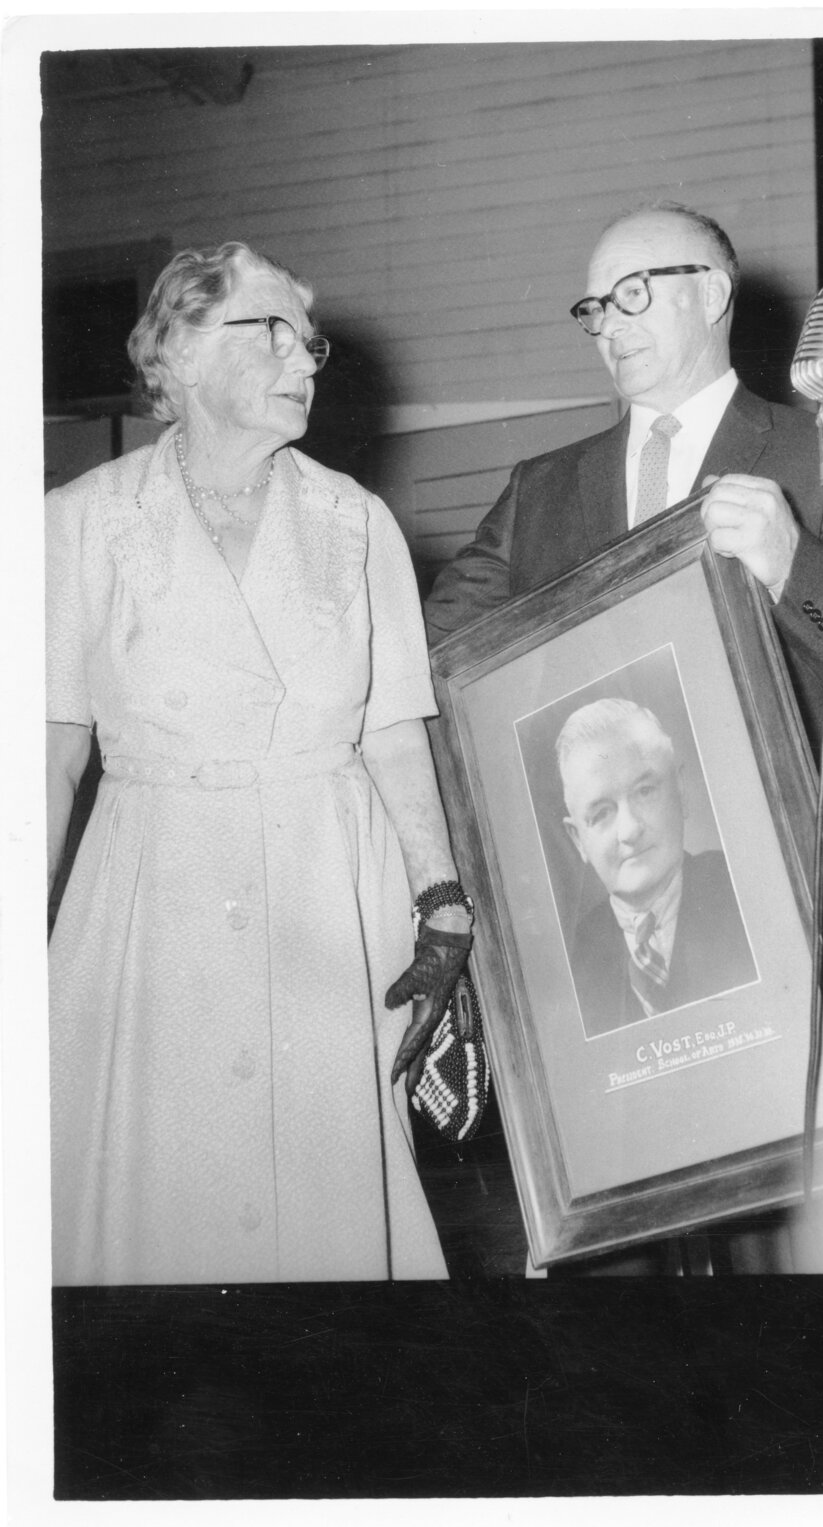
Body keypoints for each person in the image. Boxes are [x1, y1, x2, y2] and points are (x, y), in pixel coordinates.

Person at [45, 242, 473, 1286]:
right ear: (179, 354)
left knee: (324, 1202)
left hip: (324, 901)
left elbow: (391, 729)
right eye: (268, 330)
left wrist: (443, 901)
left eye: (308, 338)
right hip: (154, 902)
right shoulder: (79, 524)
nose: (305, 358)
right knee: (161, 1196)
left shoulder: (356, 523)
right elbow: (48, 755)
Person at [424, 200, 823, 751]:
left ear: (711, 295)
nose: (609, 325)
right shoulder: (539, 487)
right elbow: (426, 662)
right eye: (595, 308)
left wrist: (794, 565)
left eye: (632, 294)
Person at [556, 699, 756, 1038]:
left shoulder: (745, 891)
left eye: (645, 791)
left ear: (680, 791)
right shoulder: (577, 961)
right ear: (578, 840)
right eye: (602, 813)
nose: (630, 830)